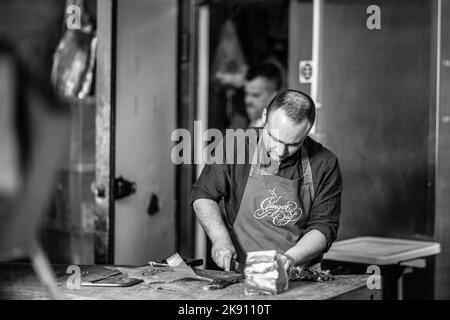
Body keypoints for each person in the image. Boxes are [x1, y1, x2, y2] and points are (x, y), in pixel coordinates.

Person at [191, 89, 342, 272]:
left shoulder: (324, 163)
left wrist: (289, 259)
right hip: (242, 273)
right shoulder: (235, 145)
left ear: (307, 131)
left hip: (299, 275)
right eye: (273, 138)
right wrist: (219, 239)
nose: (280, 151)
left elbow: (324, 225)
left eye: (292, 144)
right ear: (264, 117)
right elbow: (204, 194)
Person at [228, 61, 284, 129]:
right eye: (246, 94)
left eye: (255, 95)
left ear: (273, 96)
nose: (247, 100)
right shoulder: (239, 121)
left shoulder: (282, 128)